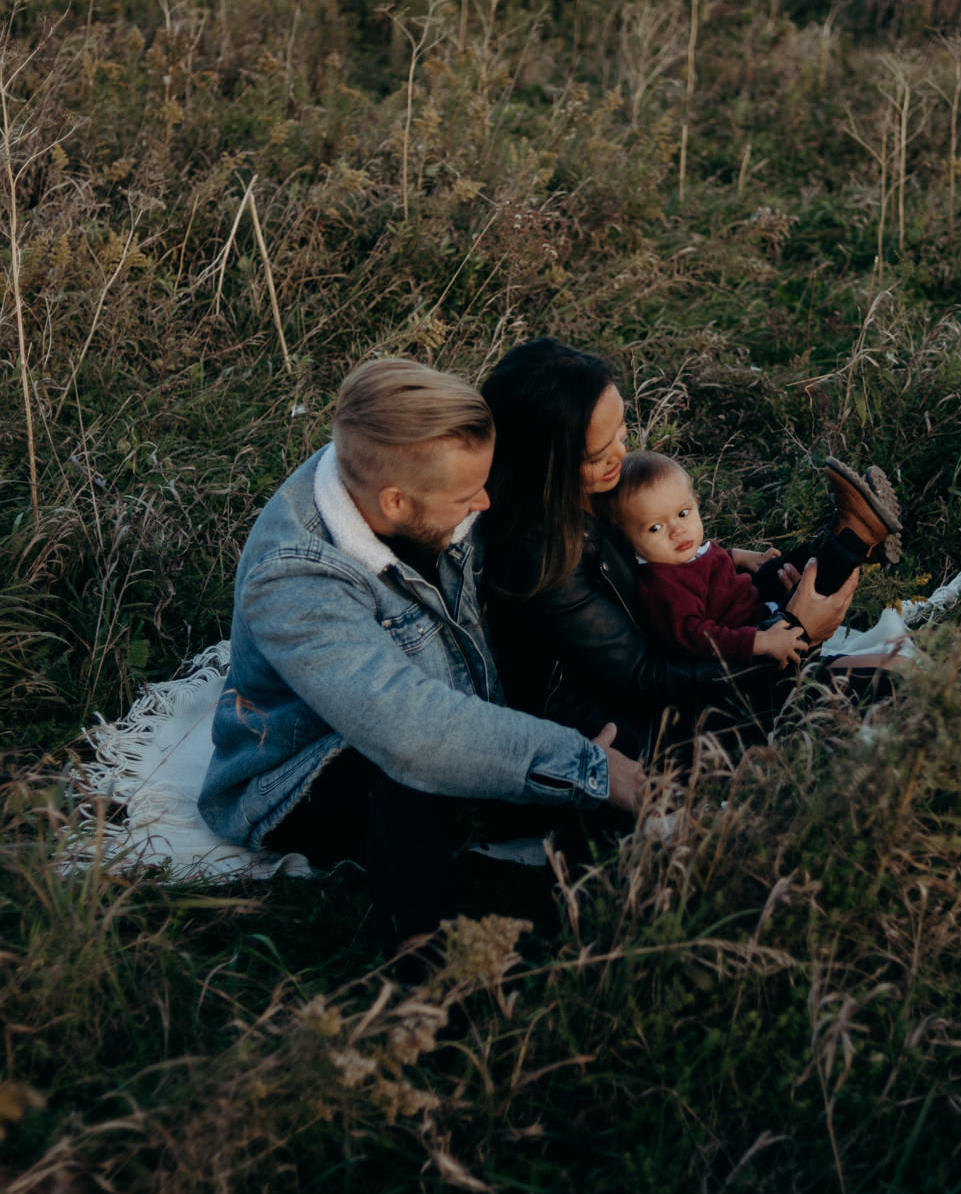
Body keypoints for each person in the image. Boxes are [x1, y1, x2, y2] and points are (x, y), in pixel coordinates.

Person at [199, 357, 642, 947]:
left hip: (454, 701)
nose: (485, 501)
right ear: (395, 505)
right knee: (408, 777)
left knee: (608, 716)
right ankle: (430, 973)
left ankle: (612, 909)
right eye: (467, 494)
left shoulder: (419, 464)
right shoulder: (295, 579)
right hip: (311, 772)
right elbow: (411, 731)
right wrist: (581, 766)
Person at [479, 338, 899, 756]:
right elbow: (644, 678)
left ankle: (849, 537)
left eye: (621, 435)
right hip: (644, 728)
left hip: (685, 654)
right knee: (881, 686)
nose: (622, 455)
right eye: (599, 453)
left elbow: (661, 556)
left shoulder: (586, 491)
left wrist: (731, 561)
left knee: (774, 584)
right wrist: (794, 632)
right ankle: (852, 540)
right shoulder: (541, 560)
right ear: (544, 461)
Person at [602, 449, 904, 669]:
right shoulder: (662, 586)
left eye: (683, 513)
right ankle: (857, 537)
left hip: (749, 598)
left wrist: (740, 557)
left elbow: (707, 555)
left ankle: (845, 536)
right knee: (813, 579)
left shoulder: (674, 554)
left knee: (785, 566)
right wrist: (761, 642)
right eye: (655, 528)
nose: (677, 530)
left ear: (695, 503)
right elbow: (697, 637)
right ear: (629, 541)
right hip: (755, 632)